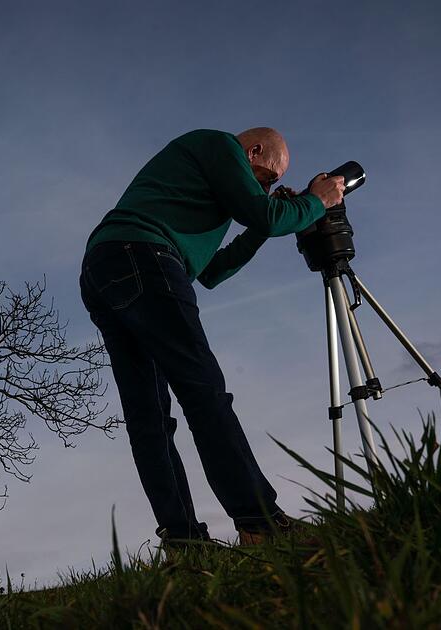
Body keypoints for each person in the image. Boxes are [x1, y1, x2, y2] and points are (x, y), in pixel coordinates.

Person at [79, 127, 346, 548]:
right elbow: (267, 215)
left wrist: (265, 223)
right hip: (143, 255)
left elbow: (213, 272)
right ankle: (260, 524)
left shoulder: (201, 195)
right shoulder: (220, 145)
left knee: (148, 415)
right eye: (268, 178)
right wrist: (317, 201)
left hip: (106, 268)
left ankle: (184, 544)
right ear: (253, 150)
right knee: (204, 393)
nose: (266, 187)